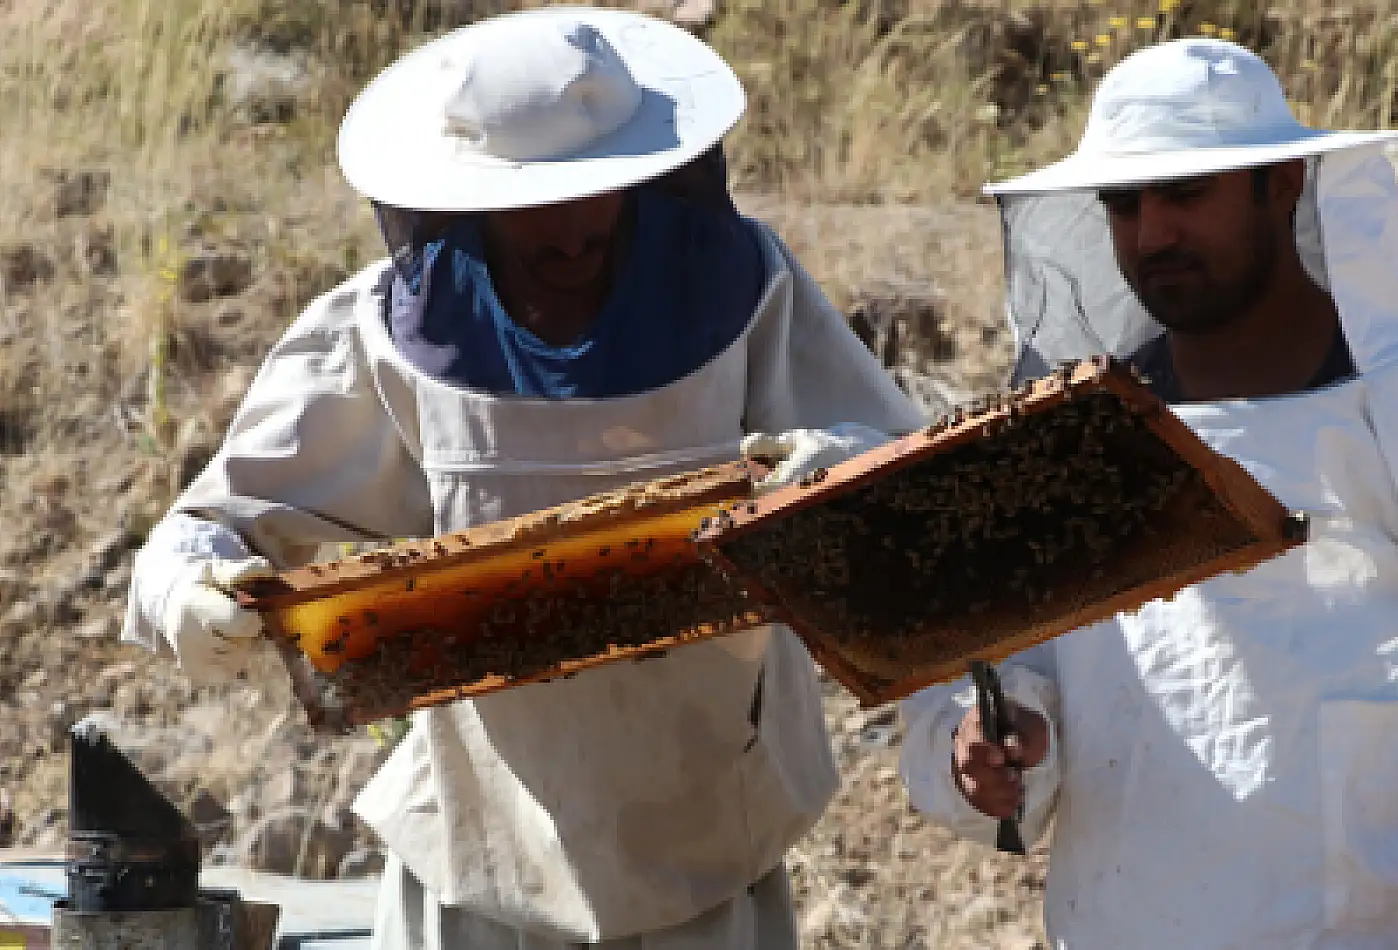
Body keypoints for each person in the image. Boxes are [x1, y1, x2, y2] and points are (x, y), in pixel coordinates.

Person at [120, 7, 925, 949]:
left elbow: (907, 486)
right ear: (464, 196)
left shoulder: (747, 290)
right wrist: (195, 591)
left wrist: (834, 472)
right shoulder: (382, 331)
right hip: (477, 863)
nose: (568, 235)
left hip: (709, 844)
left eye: (594, 195)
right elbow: (206, 529)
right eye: (530, 207)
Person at [897, 37, 1398, 950]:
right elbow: (1005, 678)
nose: (1152, 235)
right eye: (1125, 203)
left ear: (1283, 185)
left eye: (1187, 195)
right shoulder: (1082, 440)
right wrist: (992, 746)